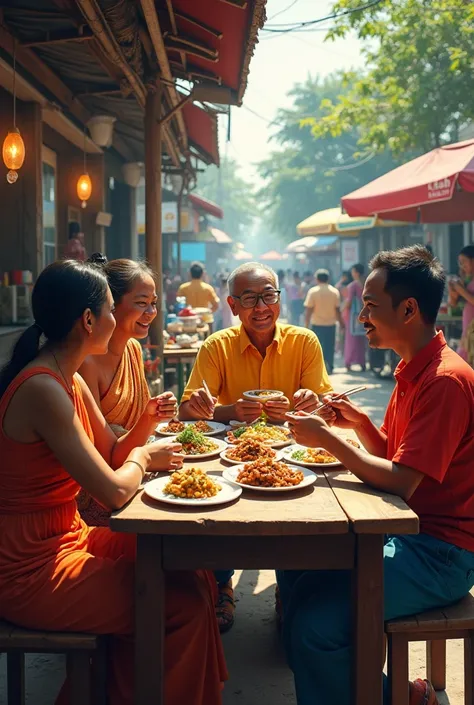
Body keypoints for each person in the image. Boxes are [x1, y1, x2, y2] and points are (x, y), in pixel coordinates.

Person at [0, 260, 227, 705]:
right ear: (88, 320)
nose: (118, 319)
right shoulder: (43, 388)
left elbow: (111, 456)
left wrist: (144, 426)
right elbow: (115, 489)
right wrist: (144, 456)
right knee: (178, 606)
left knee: (191, 567)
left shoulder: (68, 378)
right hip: (27, 566)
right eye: (110, 308)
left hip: (69, 536)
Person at [283, 245, 474, 705]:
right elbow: (397, 453)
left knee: (314, 628)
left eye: (371, 306)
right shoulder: (413, 367)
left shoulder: (445, 380)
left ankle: (390, 698)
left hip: (439, 553)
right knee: (298, 583)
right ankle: (386, 693)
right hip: (409, 534)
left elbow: (402, 481)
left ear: (409, 309)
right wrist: (359, 425)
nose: (361, 316)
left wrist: (327, 439)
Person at [179, 262, 332, 631]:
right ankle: (220, 585)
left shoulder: (304, 341)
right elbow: (187, 410)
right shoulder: (217, 345)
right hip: (231, 454)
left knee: (299, 517)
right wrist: (227, 410)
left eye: (268, 296)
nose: (261, 307)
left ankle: (289, 587)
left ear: (279, 299)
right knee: (213, 514)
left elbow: (327, 407)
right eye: (249, 298)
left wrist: (307, 404)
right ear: (232, 305)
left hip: (293, 455)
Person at [79, 255, 181, 526]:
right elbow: (108, 457)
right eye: (141, 303)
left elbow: (139, 426)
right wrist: (149, 422)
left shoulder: (133, 349)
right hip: (103, 496)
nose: (150, 312)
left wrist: (160, 412)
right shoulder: (86, 363)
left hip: (135, 472)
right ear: (110, 305)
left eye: (153, 304)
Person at [304, 269, 343, 374]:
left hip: (317, 324)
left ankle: (319, 366)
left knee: (318, 346)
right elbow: (337, 309)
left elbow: (309, 309)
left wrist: (306, 324)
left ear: (317, 279)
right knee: (330, 345)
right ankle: (330, 365)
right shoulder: (334, 291)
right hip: (331, 324)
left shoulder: (313, 291)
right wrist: (342, 323)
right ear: (328, 279)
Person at [448, 244, 474, 362]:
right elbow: (453, 304)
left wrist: (460, 290)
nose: (462, 266)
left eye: (464, 262)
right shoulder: (466, 280)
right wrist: (453, 291)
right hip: (468, 327)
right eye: (460, 263)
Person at [343, 263, 367, 371]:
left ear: (356, 272)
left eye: (353, 271)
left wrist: (341, 309)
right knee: (362, 339)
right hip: (366, 314)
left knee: (350, 339)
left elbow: (349, 302)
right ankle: (362, 362)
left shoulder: (352, 286)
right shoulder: (367, 283)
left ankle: (349, 362)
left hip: (353, 316)